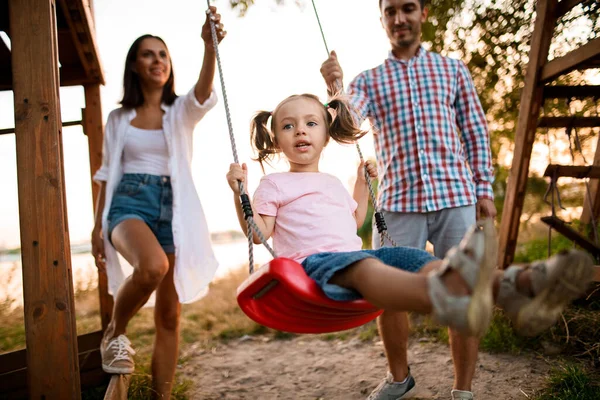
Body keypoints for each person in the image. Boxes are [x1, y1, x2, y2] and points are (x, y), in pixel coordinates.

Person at [225, 93, 594, 398]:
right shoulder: (273, 184)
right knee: (370, 268)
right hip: (314, 266)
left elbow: (351, 222)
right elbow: (259, 234)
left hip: (354, 254)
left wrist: (359, 184)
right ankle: (448, 296)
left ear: (326, 134)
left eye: (310, 123)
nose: (300, 131)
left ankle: (513, 285)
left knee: (417, 257)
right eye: (288, 126)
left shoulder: (333, 182)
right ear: (276, 140)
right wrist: (239, 193)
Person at [319, 0, 497, 398]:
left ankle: (463, 390)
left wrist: (483, 189)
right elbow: (346, 129)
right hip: (398, 205)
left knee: (464, 291)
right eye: (391, 11)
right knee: (388, 296)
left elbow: (475, 132)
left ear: (423, 13)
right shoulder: (368, 80)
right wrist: (335, 89)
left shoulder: (452, 69)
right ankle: (399, 378)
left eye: (408, 8)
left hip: (456, 197)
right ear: (382, 19)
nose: (400, 18)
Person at [90, 7, 226, 397]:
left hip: (173, 209)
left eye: (163, 54)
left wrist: (209, 46)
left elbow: (203, 93)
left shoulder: (179, 111)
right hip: (128, 203)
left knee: (170, 314)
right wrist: (98, 227)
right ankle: (115, 331)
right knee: (152, 266)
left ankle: (161, 397)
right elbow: (104, 175)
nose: (158, 60)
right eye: (148, 54)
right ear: (134, 65)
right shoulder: (119, 118)